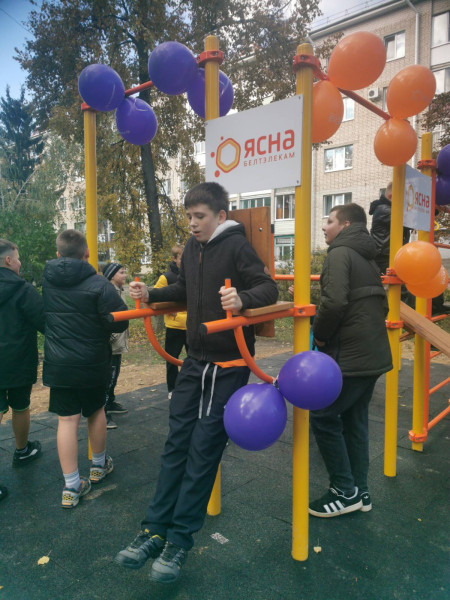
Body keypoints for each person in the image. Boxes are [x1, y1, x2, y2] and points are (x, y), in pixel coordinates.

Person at [115, 182, 278, 584]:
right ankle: (154, 530)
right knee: (176, 445)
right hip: (195, 361)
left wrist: (242, 300)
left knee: (203, 450)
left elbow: (268, 288)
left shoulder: (237, 246)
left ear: (220, 216)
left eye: (199, 216)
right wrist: (151, 292)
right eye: (188, 216)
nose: (192, 223)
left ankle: (179, 540)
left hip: (229, 364)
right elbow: (184, 290)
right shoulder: (192, 249)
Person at [309, 203, 392, 518]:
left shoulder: (339, 253)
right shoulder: (367, 257)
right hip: (372, 354)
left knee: (323, 416)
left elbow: (333, 302)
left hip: (351, 356)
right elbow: (379, 305)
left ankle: (344, 491)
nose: (324, 227)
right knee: (355, 421)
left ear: (344, 225)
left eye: (329, 221)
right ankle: (360, 491)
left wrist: (320, 336)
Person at [42, 230, 128, 508]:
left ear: (58, 254)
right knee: (96, 411)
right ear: (87, 254)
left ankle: (71, 486)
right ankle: (98, 466)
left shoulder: (48, 280)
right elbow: (120, 320)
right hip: (91, 360)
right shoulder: (99, 283)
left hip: (60, 362)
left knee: (67, 420)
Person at [0, 239, 44, 470]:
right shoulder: (23, 289)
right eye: (17, 259)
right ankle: (22, 450)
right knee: (20, 407)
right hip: (18, 361)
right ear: (8, 260)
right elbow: (44, 322)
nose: (19, 263)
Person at [153, 245, 187, 399]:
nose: (185, 260)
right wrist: (167, 308)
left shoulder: (192, 273)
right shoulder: (166, 278)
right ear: (174, 259)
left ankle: (192, 386)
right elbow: (156, 296)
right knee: (172, 358)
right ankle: (172, 388)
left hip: (192, 324)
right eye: (181, 258)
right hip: (175, 326)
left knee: (195, 358)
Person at [102, 263, 129, 430]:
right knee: (108, 378)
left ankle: (110, 402)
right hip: (111, 344)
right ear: (112, 276)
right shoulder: (108, 292)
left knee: (115, 375)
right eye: (122, 272)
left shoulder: (119, 291)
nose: (125, 275)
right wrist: (111, 337)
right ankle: (103, 412)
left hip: (118, 343)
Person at [369, 182, 410, 274]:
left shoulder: (390, 209)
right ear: (391, 197)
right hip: (384, 257)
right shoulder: (384, 209)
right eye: (402, 199)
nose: (405, 203)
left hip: (389, 254)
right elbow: (407, 222)